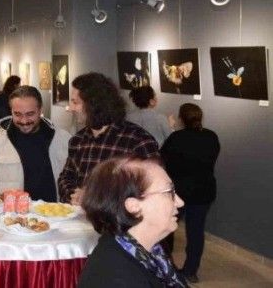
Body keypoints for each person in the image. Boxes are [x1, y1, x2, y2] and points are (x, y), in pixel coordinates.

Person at [78, 157, 187, 288]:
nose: (180, 202)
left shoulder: (151, 249)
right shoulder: (116, 278)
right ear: (133, 206)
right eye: (169, 192)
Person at [58, 72, 160, 205]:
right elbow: (66, 178)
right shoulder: (77, 140)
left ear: (94, 104)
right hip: (79, 222)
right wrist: (73, 195)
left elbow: (153, 191)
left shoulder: (138, 141)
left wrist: (93, 199)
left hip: (121, 224)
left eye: (75, 102)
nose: (70, 108)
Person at [0, 86, 71, 202]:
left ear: (40, 110)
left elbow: (74, 180)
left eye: (30, 114)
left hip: (56, 215)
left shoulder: (63, 139)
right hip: (12, 216)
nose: (24, 121)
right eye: (17, 114)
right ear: (11, 111)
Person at [161, 103, 220, 283]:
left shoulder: (177, 138)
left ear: (181, 118)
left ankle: (165, 266)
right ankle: (191, 271)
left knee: (166, 229)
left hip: (179, 192)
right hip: (204, 190)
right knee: (196, 232)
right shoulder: (211, 136)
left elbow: (164, 160)